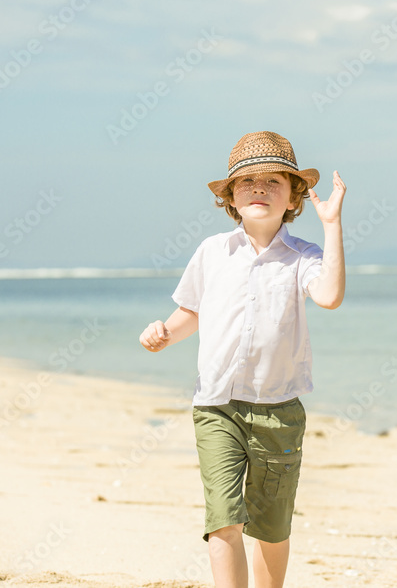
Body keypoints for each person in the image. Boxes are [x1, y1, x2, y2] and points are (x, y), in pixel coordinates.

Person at [139, 131, 345, 588]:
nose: (259, 188)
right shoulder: (212, 252)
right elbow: (191, 311)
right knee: (224, 518)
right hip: (216, 407)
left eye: (273, 180)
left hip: (279, 410)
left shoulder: (302, 257)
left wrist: (331, 225)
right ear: (230, 196)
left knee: (271, 527)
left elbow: (329, 296)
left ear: (293, 196)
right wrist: (164, 333)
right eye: (247, 181)